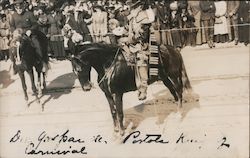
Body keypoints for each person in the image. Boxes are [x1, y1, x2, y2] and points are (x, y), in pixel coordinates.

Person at [9, 0, 47, 74]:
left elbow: (35, 24)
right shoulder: (13, 16)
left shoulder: (29, 14)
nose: (19, 9)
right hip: (18, 36)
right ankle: (13, 64)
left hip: (29, 35)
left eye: (20, 7)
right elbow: (12, 26)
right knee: (11, 46)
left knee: (37, 45)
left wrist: (30, 30)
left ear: (23, 6)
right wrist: (14, 32)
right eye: (17, 8)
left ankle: (41, 62)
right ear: (15, 8)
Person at [127, 0, 155, 100]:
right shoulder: (132, 19)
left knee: (141, 60)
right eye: (131, 7)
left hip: (143, 46)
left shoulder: (144, 19)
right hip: (132, 44)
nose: (131, 9)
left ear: (139, 7)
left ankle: (143, 88)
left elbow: (143, 36)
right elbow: (129, 31)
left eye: (133, 7)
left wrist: (131, 39)